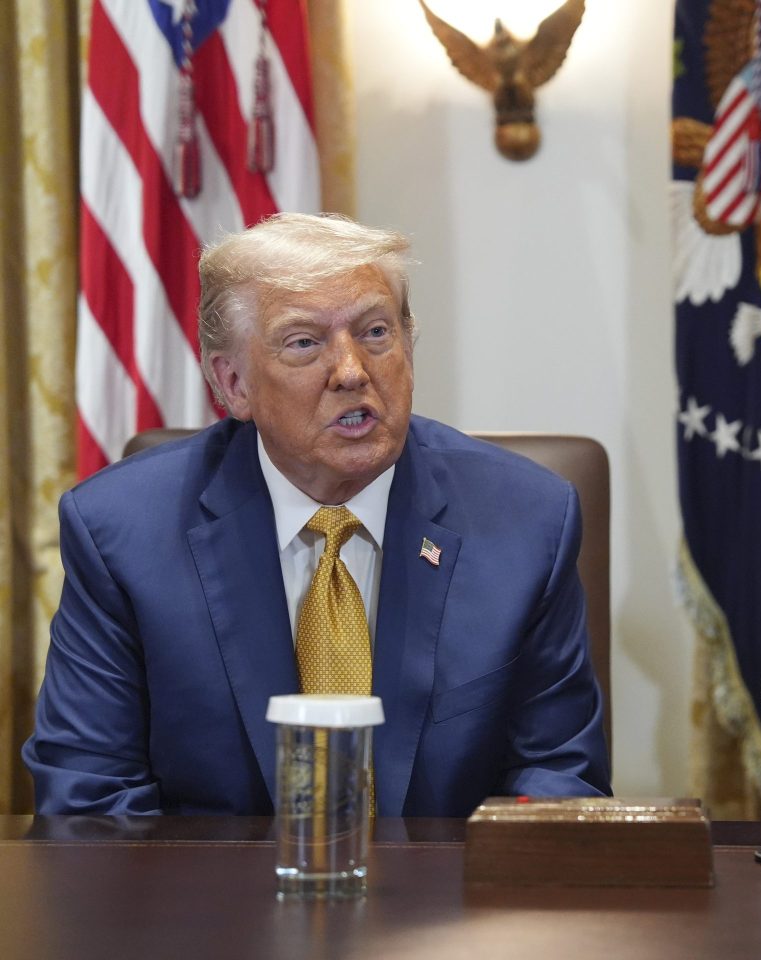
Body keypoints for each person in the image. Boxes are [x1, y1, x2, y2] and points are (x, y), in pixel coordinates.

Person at [25, 213, 609, 815]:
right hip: (215, 879)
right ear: (234, 383)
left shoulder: (527, 521)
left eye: (375, 332)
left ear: (409, 346)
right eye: (304, 342)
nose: (352, 371)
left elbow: (558, 778)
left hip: (451, 878)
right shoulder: (122, 535)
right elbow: (90, 800)